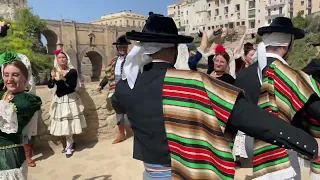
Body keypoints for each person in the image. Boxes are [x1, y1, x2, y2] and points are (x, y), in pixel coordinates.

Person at [112, 13, 320, 180]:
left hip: (150, 173)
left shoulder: (124, 87)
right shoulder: (193, 82)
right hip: (188, 173)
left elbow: (118, 105)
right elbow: (251, 119)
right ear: (174, 49)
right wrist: (309, 144)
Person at [235, 17, 320, 180]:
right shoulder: (290, 76)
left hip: (252, 145)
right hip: (283, 146)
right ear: (288, 45)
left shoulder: (243, 75)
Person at [0, 51, 42, 179]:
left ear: (25, 77)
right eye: (6, 75)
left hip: (8, 157)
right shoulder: (3, 96)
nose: (9, 79)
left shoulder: (27, 101)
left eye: (15, 75)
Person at [48, 49, 87, 158]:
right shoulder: (55, 70)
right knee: (63, 123)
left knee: (68, 122)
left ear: (66, 59)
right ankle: (70, 143)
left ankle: (69, 145)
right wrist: (52, 77)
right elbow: (50, 85)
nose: (61, 59)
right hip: (59, 100)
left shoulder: (72, 71)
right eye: (59, 57)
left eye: (63, 57)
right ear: (57, 59)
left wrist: (61, 78)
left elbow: (71, 85)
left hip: (69, 99)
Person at [98, 35, 132, 144]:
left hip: (127, 90)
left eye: (124, 47)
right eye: (120, 48)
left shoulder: (131, 60)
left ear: (126, 48)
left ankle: (136, 135)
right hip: (115, 90)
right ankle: (121, 134)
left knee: (130, 113)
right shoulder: (114, 61)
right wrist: (101, 85)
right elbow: (108, 75)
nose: (122, 49)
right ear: (117, 49)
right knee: (119, 113)